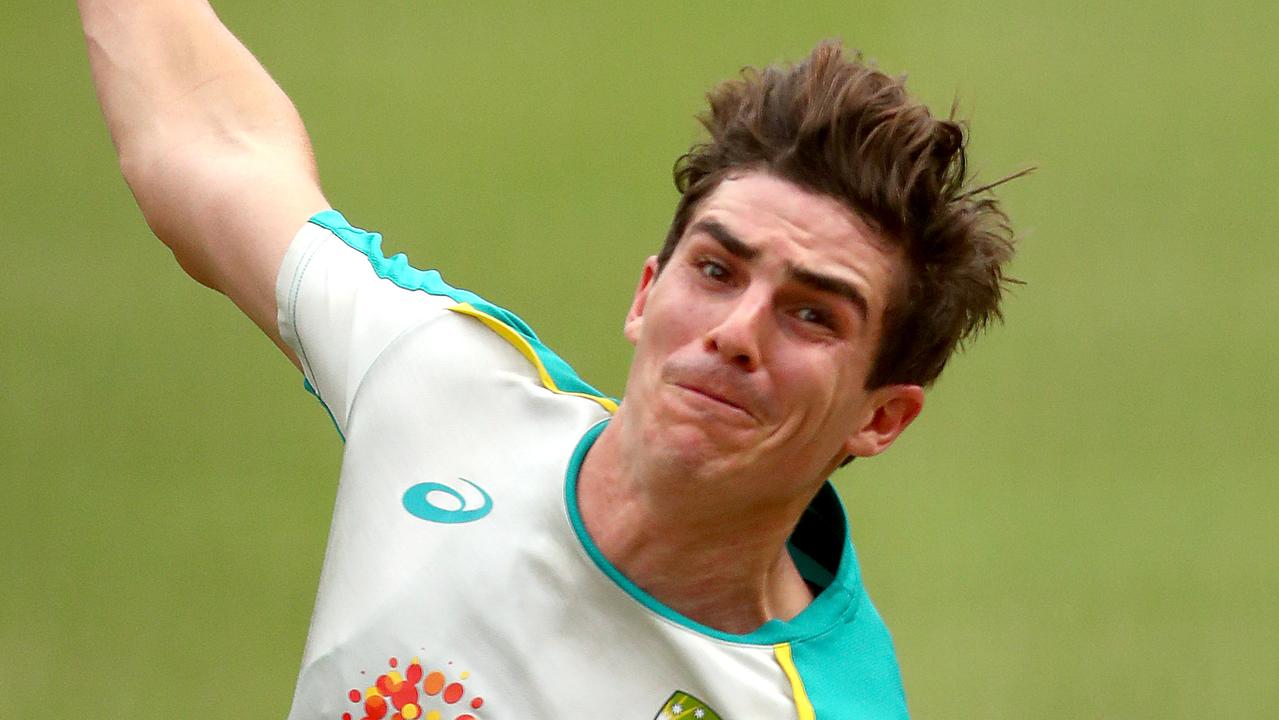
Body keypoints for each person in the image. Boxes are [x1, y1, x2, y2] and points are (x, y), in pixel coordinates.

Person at [79, 2, 1017, 718]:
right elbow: (205, 143)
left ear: (879, 416)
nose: (737, 330)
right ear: (646, 293)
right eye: (716, 268)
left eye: (812, 314)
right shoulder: (446, 388)